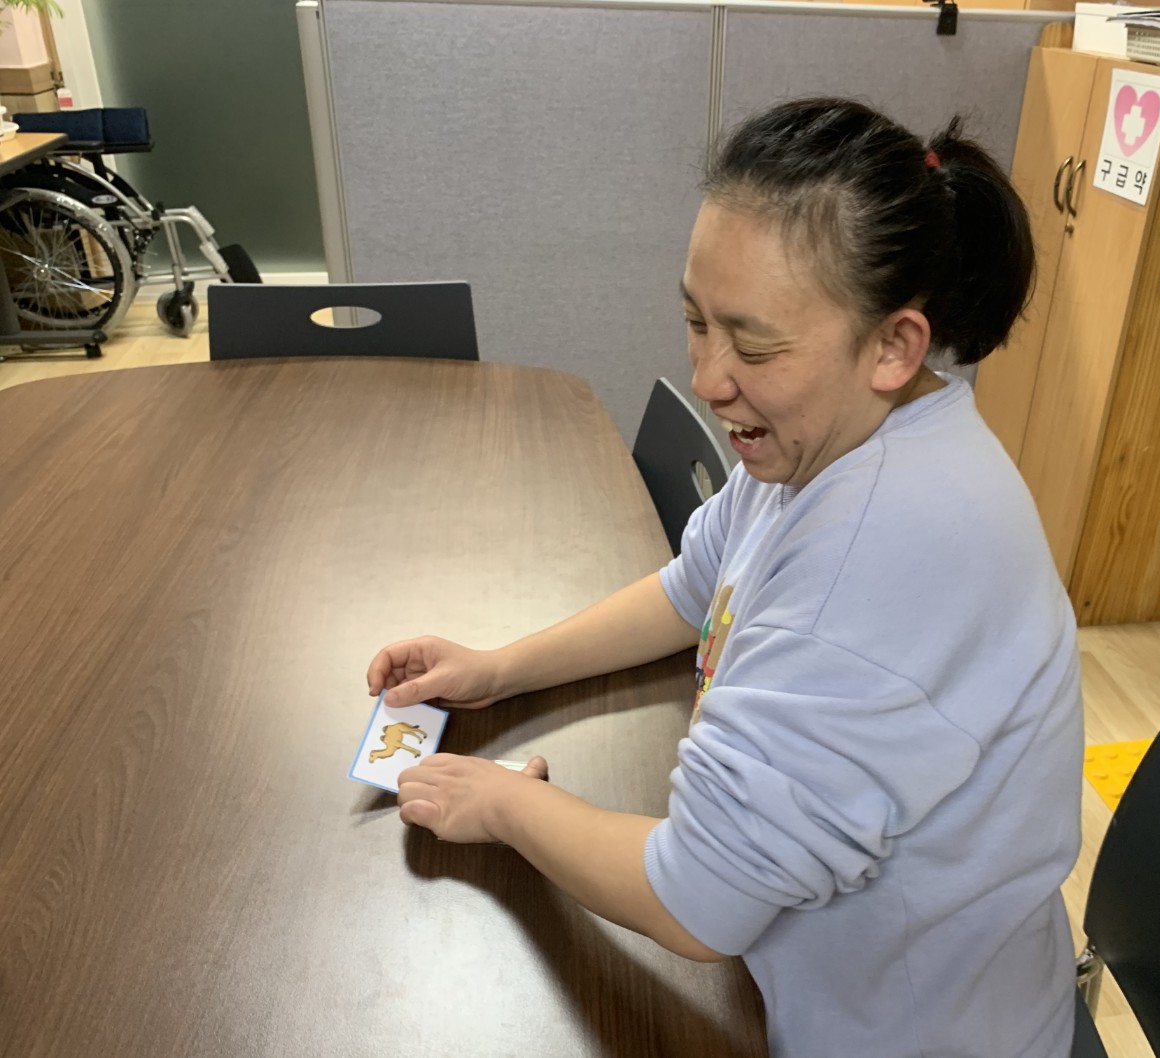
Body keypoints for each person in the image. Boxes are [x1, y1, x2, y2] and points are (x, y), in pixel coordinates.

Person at [367, 98, 1083, 1058]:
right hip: (822, 966)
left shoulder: (884, 545)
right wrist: (499, 668)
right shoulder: (828, 437)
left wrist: (502, 802)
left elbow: (695, 900)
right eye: (695, 322)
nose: (709, 376)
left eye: (752, 344)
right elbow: (694, 587)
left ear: (893, 346)